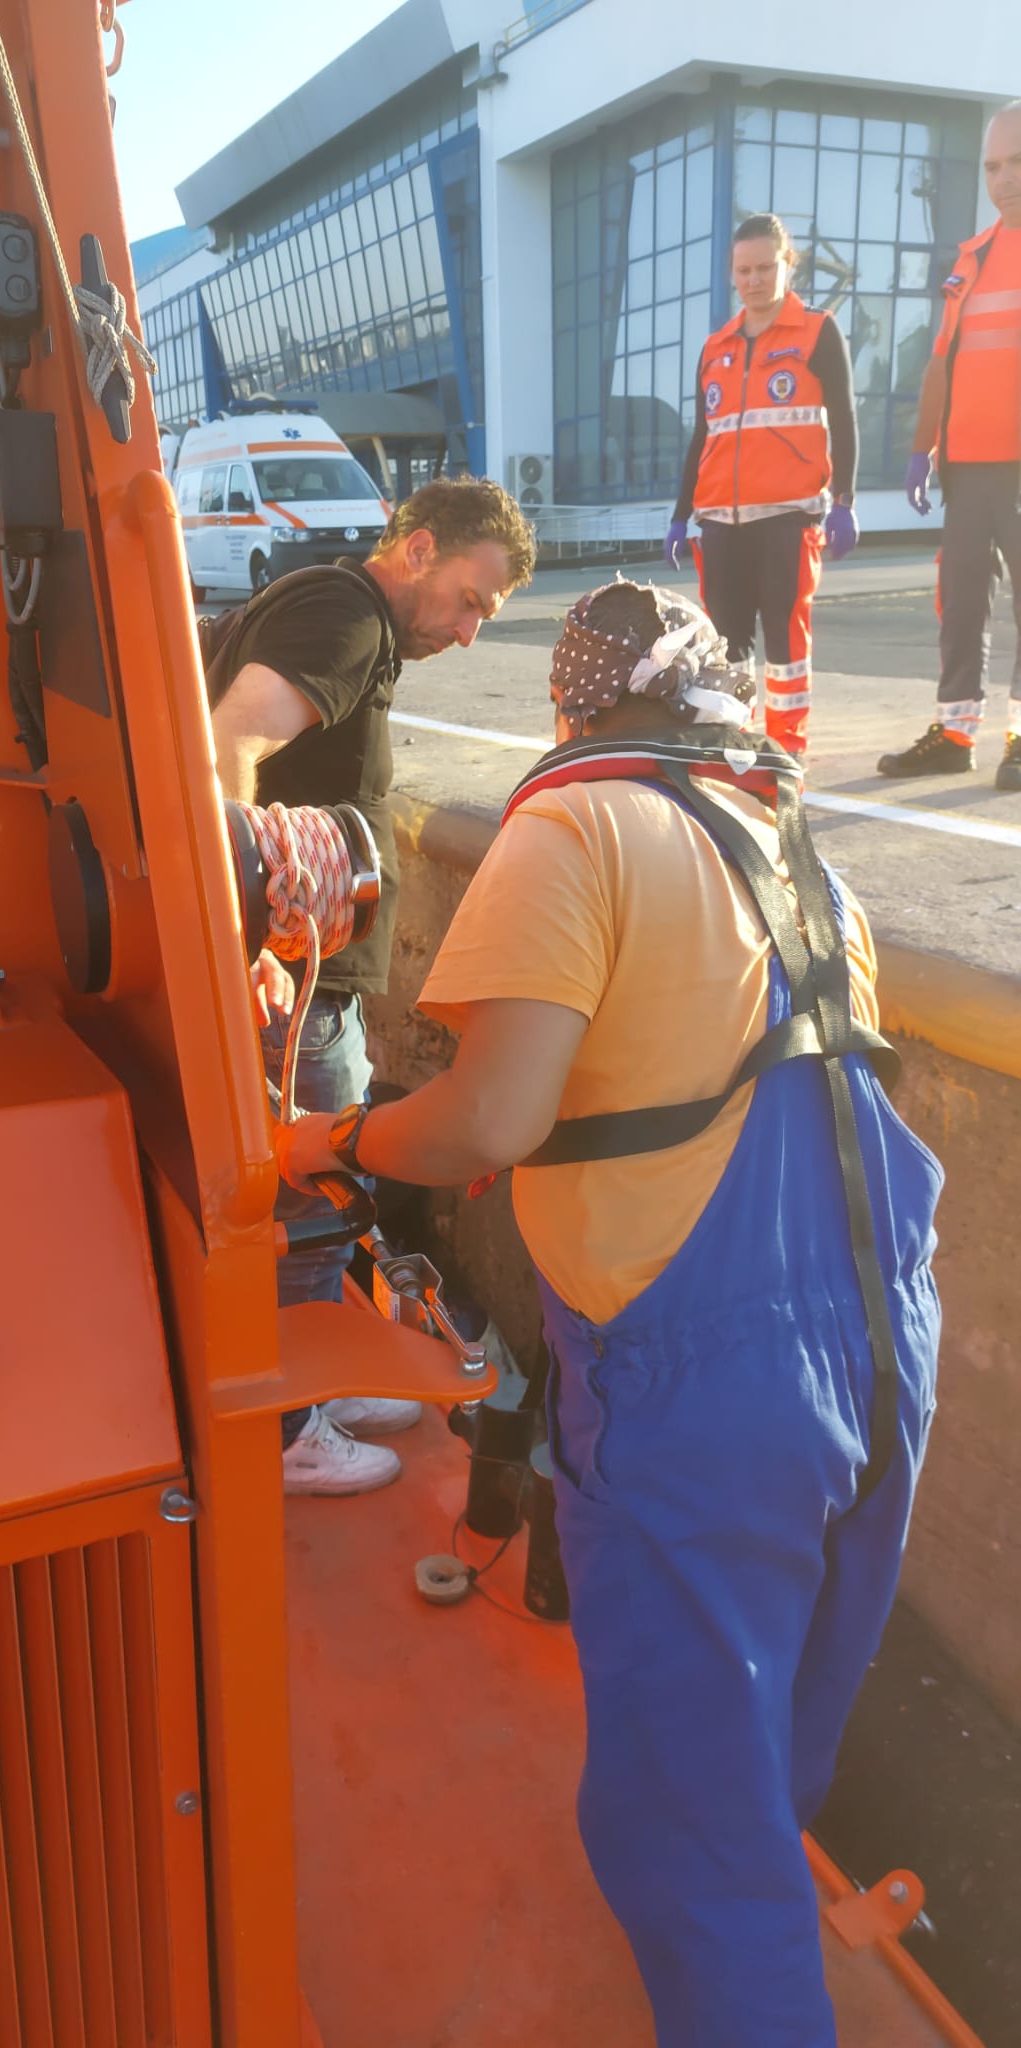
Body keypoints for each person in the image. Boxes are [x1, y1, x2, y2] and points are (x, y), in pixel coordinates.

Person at [277, 578, 941, 2045]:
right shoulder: (782, 837)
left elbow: (485, 1120)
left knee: (688, 1819)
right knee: (775, 1723)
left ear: (573, 704)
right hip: (886, 1333)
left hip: (706, 1382)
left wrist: (330, 1139)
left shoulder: (573, 824)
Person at [200, 476, 536, 1496]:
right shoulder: (345, 619)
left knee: (316, 1198)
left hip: (304, 970)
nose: (469, 632)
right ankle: (287, 1426)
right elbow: (229, 742)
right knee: (310, 1194)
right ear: (418, 547)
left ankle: (320, 1384)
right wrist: (241, 937)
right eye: (470, 600)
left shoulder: (335, 609)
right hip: (293, 981)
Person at [665, 212, 859, 759]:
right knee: (726, 646)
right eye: (744, 270)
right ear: (732, 272)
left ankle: (787, 751)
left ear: (788, 264)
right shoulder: (715, 347)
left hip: (788, 519)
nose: (753, 280)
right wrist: (681, 514)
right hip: (720, 524)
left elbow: (845, 419)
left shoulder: (817, 331)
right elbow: (703, 436)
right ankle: (737, 746)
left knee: (786, 642)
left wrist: (845, 500)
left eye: (765, 268)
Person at [878, 101, 1021, 792]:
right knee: (960, 604)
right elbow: (942, 361)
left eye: (1016, 162)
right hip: (967, 466)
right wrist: (922, 447)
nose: (1003, 178)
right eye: (992, 166)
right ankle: (955, 733)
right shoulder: (971, 259)